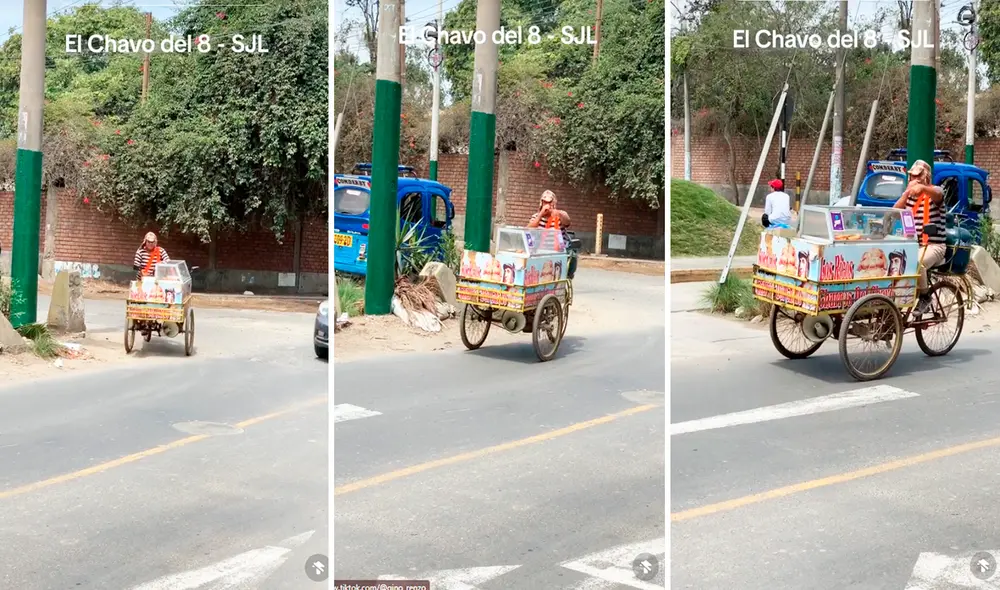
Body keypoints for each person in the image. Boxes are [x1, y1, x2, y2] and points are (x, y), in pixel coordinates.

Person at [893, 159, 945, 316]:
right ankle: (896, 305)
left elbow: (938, 194)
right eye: (912, 176)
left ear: (926, 176)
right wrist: (906, 193)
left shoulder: (934, 191)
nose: (914, 179)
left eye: (918, 176)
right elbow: (894, 212)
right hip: (913, 245)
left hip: (934, 246)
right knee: (893, 265)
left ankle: (925, 297)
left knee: (916, 263)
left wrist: (922, 188)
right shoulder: (910, 196)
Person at [528, 190, 578, 279]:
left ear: (553, 203)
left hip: (557, 251)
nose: (547, 205)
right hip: (540, 251)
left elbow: (567, 222)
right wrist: (540, 214)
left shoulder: (559, 215)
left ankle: (568, 275)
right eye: (545, 202)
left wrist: (558, 213)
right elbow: (528, 229)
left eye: (549, 202)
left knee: (572, 254)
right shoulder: (536, 216)